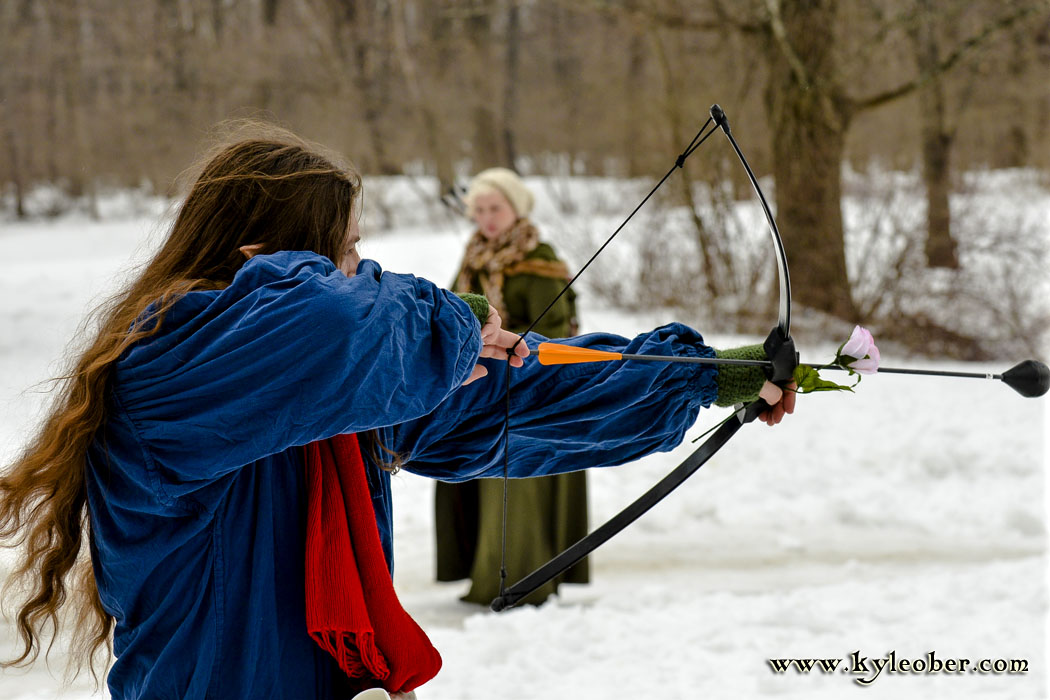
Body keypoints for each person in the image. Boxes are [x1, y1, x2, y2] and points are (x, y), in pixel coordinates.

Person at [0, 123, 794, 700]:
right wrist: (450, 322)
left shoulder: (336, 389)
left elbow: (511, 402)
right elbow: (338, 325)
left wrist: (703, 376)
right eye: (342, 253)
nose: (360, 270)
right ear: (256, 263)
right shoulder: (171, 363)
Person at [435, 167, 590, 606]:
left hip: (528, 385)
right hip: (478, 387)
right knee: (468, 462)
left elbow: (555, 329)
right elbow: (454, 309)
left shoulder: (538, 259)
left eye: (495, 208)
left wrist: (502, 343)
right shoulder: (474, 257)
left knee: (514, 475)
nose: (487, 218)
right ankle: (473, 566)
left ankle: (518, 580)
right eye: (479, 209)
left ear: (515, 209)